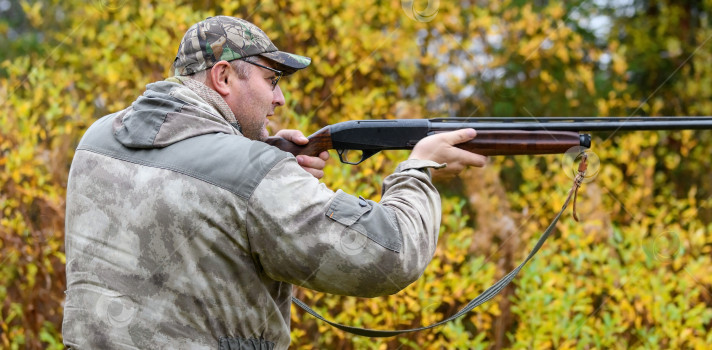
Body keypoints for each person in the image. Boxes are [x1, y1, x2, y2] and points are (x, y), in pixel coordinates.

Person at [62, 16, 486, 349]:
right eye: (272, 81)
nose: (279, 99)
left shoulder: (97, 138)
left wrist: (269, 163)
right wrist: (417, 170)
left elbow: (193, 205)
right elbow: (389, 258)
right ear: (223, 77)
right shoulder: (253, 171)